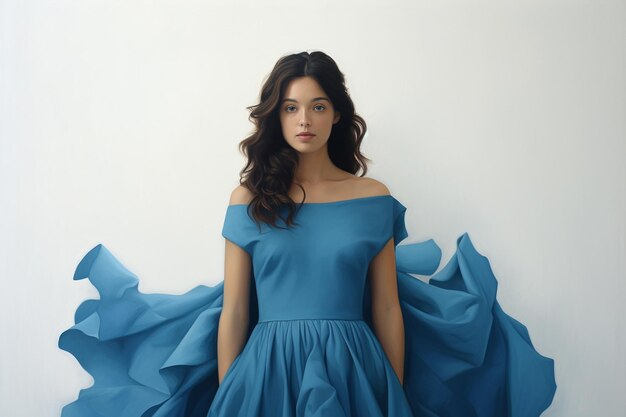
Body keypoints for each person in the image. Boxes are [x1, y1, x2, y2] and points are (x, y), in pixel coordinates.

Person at [58, 51, 557, 417]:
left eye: (318, 106)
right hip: (265, 370)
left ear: (337, 114)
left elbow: (386, 306)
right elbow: (235, 309)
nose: (305, 120)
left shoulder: (373, 196)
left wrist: (392, 392)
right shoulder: (247, 199)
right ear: (277, 115)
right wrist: (234, 395)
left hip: (356, 369)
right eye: (292, 108)